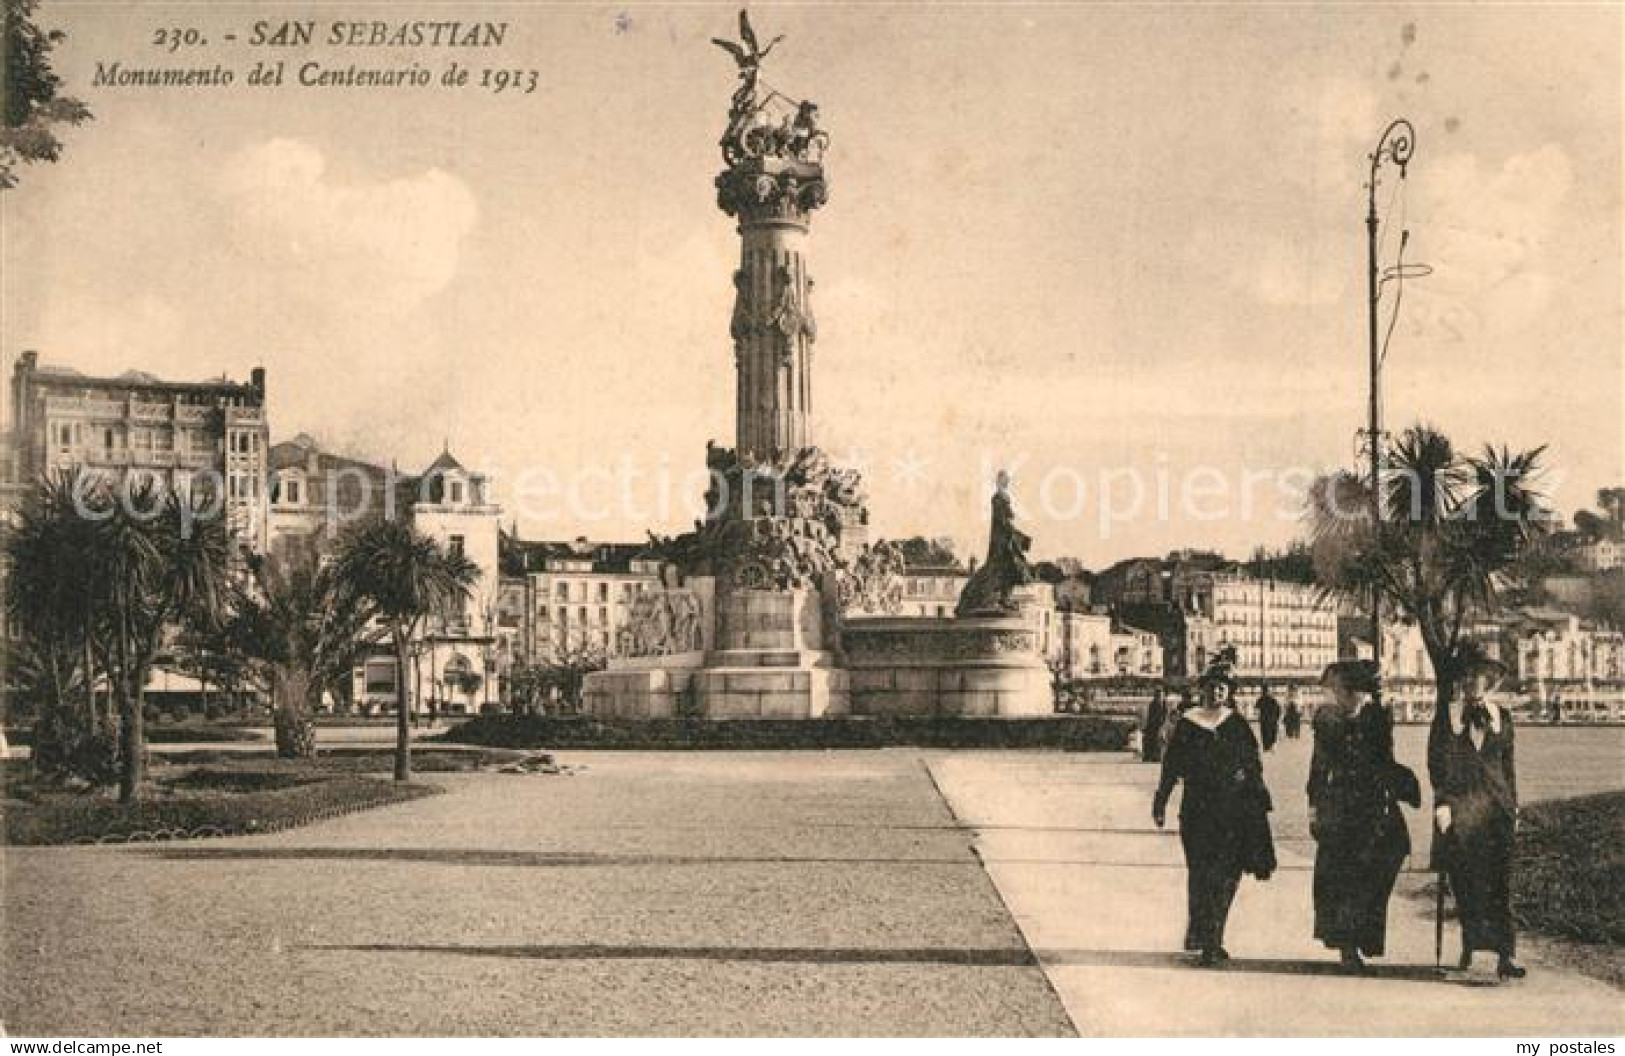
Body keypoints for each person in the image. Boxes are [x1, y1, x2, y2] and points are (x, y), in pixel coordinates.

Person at [1152, 657, 1275, 966]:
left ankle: (1212, 938)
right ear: (1202, 690)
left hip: (1233, 811)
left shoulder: (1236, 724)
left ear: (1228, 693)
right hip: (1197, 811)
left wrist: (1256, 792)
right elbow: (1172, 765)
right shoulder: (1187, 724)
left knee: (1226, 876)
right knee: (1201, 874)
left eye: (1222, 688)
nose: (1217, 693)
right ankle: (1202, 932)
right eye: (1211, 687)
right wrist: (1161, 800)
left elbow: (1253, 763)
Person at [1308, 660, 1419, 972]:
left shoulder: (1377, 718)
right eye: (1343, 692)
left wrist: (1404, 785)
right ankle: (1347, 945)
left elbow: (1386, 758)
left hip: (1374, 806)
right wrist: (1314, 808)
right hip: (1342, 808)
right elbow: (1318, 768)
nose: (1345, 698)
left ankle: (1364, 936)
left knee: (1388, 855)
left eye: (1351, 693)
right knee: (1342, 876)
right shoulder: (1327, 721)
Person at [1429, 646, 1526, 979]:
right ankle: (1470, 947)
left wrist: (1515, 806)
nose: (1472, 681)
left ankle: (1506, 954)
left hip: (1497, 810)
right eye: (1467, 675)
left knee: (1501, 882)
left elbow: (1508, 767)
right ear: (1460, 680)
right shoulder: (1448, 717)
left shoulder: (1504, 717)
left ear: (1489, 680)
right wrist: (1442, 803)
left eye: (1479, 675)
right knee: (1467, 882)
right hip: (1462, 809)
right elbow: (1436, 767)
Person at [1142, 689, 1168, 763]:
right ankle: (1150, 756)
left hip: (1158, 725)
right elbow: (1153, 716)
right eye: (1159, 696)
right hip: (1153, 725)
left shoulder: (1162, 703)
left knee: (1156, 741)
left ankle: (1154, 756)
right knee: (1153, 741)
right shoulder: (1154, 704)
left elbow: (1165, 714)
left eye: (1161, 696)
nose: (1160, 697)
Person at [1256, 682, 1282, 752]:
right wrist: (1277, 717)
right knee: (1271, 733)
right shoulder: (1272, 700)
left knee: (1265, 733)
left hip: (1265, 719)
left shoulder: (1261, 699)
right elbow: (1279, 709)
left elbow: (1257, 708)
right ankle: (1269, 746)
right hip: (1271, 720)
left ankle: (1267, 747)